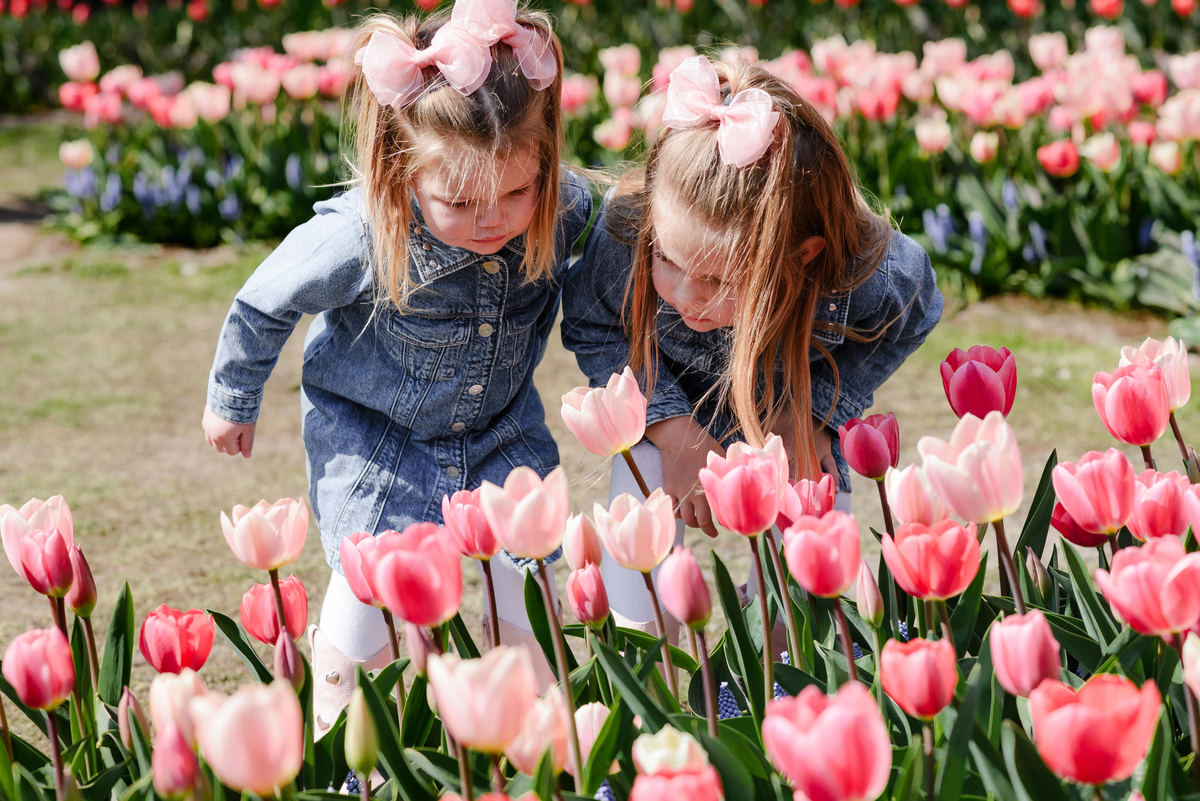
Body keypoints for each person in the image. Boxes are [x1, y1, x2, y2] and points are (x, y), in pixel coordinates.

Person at [202, 0, 590, 735]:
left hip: (502, 432)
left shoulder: (562, 208)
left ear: (545, 159)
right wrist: (234, 398)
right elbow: (263, 303)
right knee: (367, 600)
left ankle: (538, 731)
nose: (493, 218)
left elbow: (610, 257)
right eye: (460, 200)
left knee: (529, 580)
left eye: (516, 190)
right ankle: (344, 736)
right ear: (399, 167)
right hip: (379, 446)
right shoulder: (361, 232)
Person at [561, 55, 942, 639]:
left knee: (816, 550)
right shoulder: (630, 231)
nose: (686, 297)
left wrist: (819, 414)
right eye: (667, 259)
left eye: (719, 281)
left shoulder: (866, 273)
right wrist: (671, 431)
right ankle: (643, 661)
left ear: (803, 256)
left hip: (789, 400)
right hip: (668, 399)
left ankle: (786, 653)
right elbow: (594, 324)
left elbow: (914, 314)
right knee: (638, 523)